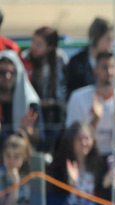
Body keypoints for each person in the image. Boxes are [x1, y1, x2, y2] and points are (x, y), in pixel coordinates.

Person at [66, 51, 115, 156]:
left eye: (112, 67)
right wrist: (96, 118)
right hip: (88, 156)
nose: (109, 72)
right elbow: (73, 139)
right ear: (95, 70)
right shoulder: (77, 97)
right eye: (104, 67)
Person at [22, 26, 69, 154]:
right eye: (33, 42)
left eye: (39, 44)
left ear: (50, 47)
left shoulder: (60, 60)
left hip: (54, 112)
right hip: (32, 110)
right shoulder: (25, 59)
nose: (33, 47)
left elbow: (63, 89)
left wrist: (53, 102)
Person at [66, 17, 113, 99]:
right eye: (108, 39)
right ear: (96, 38)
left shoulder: (113, 62)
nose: (110, 44)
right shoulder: (77, 63)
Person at [0, 50, 40, 146]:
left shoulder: (31, 102)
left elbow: (39, 140)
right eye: (1, 72)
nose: (7, 76)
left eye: (12, 72)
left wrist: (26, 132)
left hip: (21, 155)